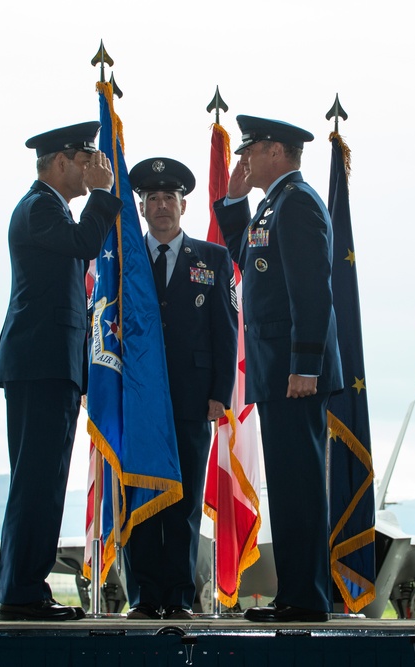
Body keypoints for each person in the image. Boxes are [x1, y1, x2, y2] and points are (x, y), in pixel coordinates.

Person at [213, 115, 343, 623]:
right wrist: (232, 202)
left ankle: (307, 598)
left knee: (301, 485)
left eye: (251, 150)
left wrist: (306, 364)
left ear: (276, 151)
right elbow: (247, 256)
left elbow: (312, 290)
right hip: (278, 369)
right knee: (289, 486)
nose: (244, 158)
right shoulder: (275, 204)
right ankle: (296, 594)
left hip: (295, 372)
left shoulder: (300, 203)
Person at [0, 121, 121, 621]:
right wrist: (105, 195)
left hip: (52, 366)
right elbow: (87, 243)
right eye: (87, 158)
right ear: (61, 162)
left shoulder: (50, 208)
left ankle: (25, 587)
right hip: (39, 365)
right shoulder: (39, 207)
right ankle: (21, 592)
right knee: (36, 482)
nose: (94, 167)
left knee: (42, 482)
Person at [122, 157, 237, 620]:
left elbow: (226, 330)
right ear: (143, 208)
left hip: (192, 399)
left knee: (186, 501)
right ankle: (144, 596)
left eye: (169, 197)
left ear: (183, 205)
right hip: (140, 401)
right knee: (143, 498)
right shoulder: (125, 260)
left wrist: (219, 394)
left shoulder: (212, 259)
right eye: (153, 198)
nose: (162, 205)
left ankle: (178, 596)